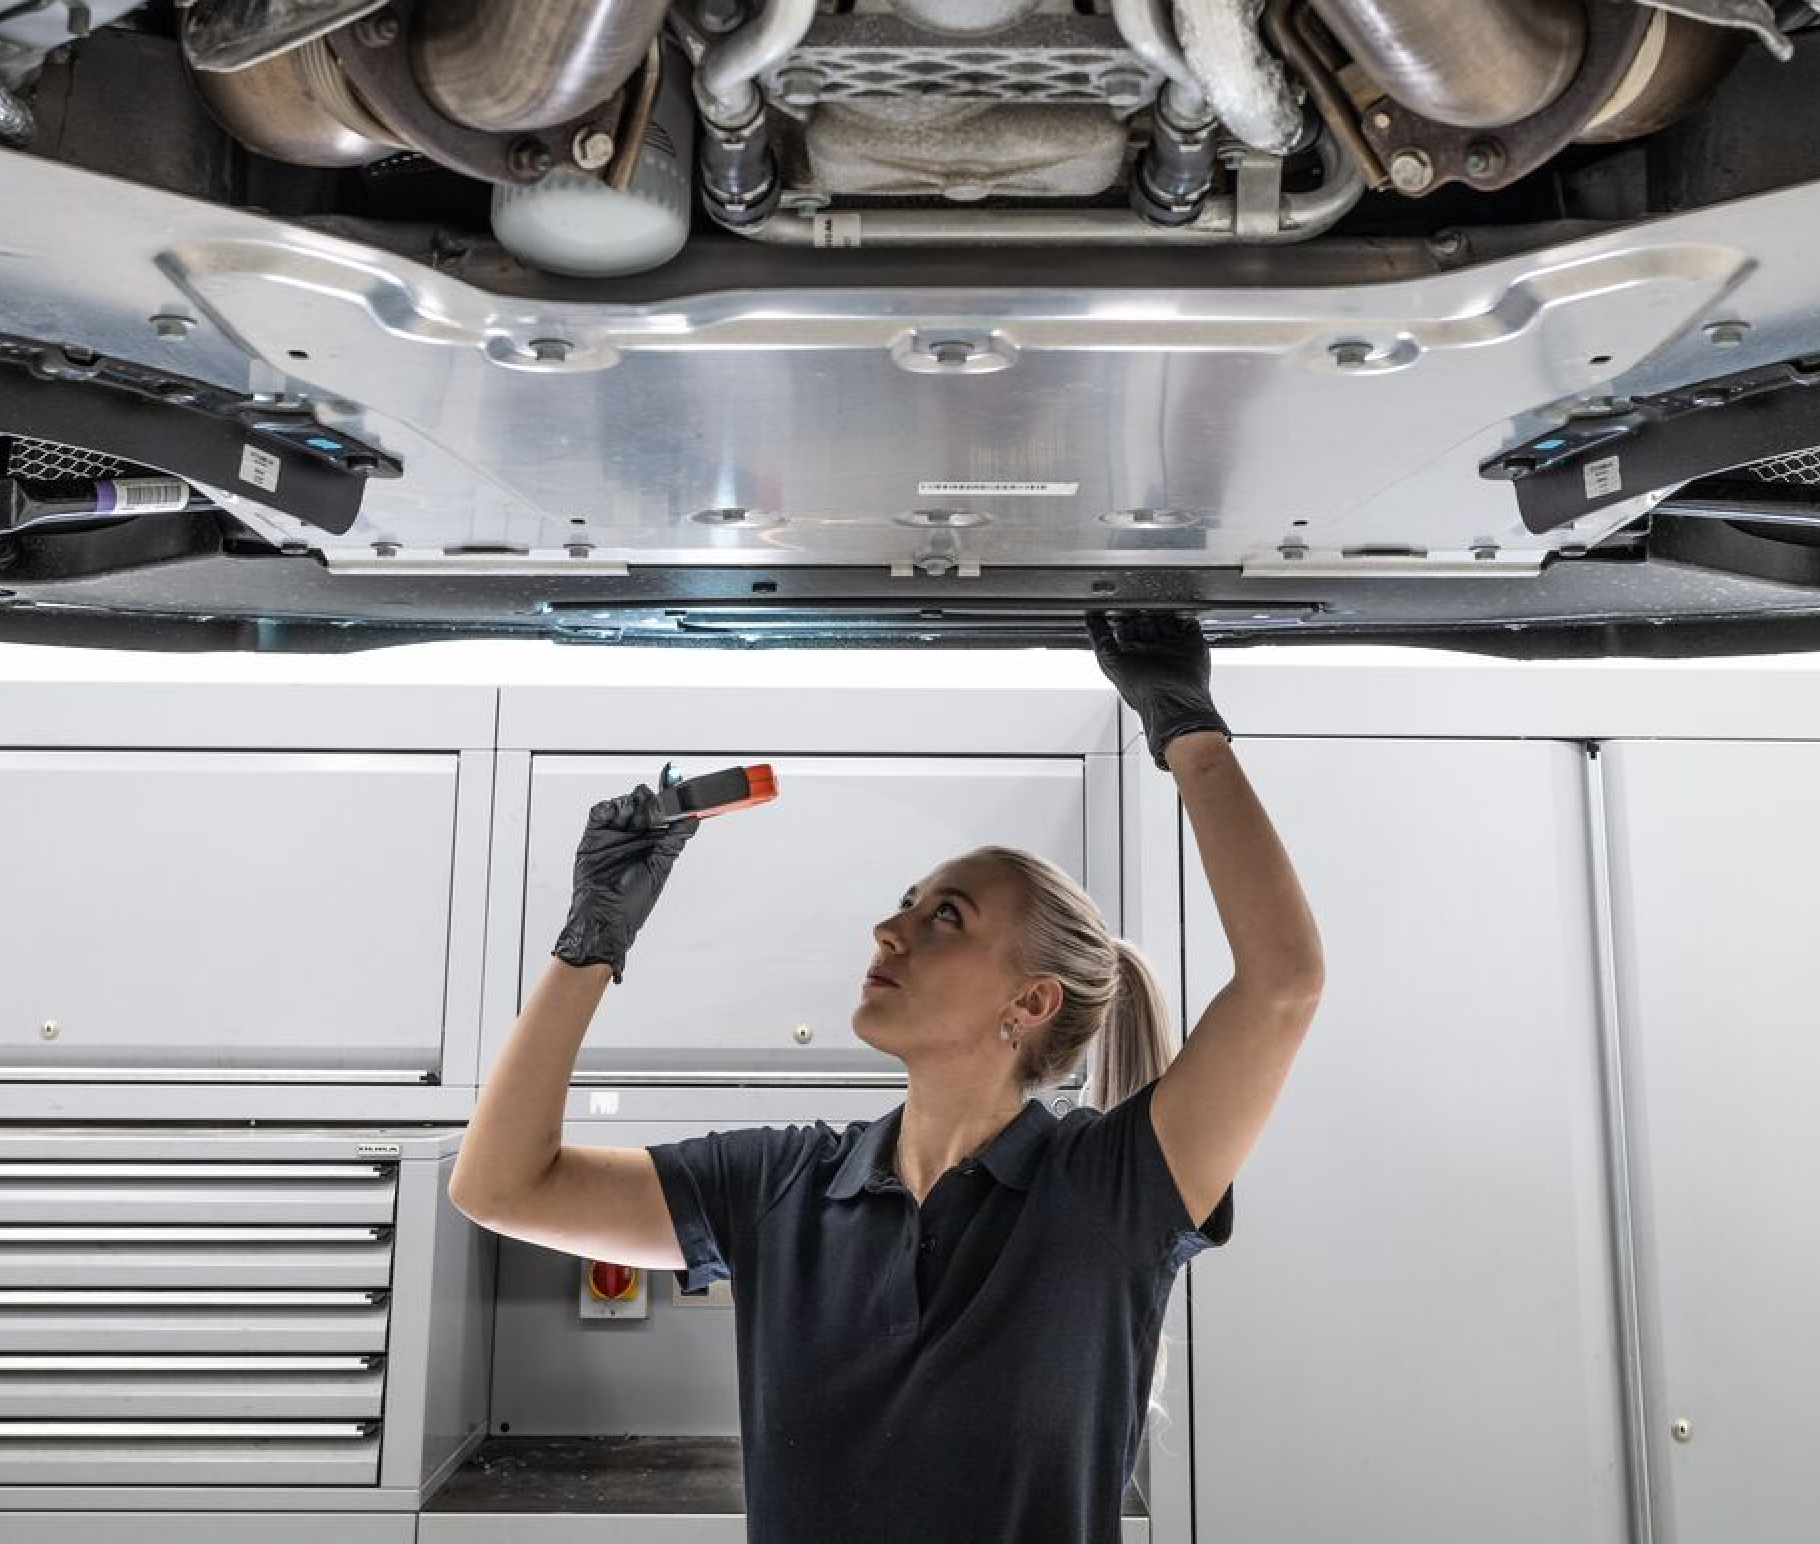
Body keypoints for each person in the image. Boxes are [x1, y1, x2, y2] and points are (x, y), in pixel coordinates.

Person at [443, 615, 1323, 1543]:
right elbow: (499, 1184)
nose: (888, 931)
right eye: (905, 903)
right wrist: (593, 938)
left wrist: (1185, 726)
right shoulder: (780, 1186)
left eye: (946, 915)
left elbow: (1282, 984)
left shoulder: (1111, 1188)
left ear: (1028, 1004)